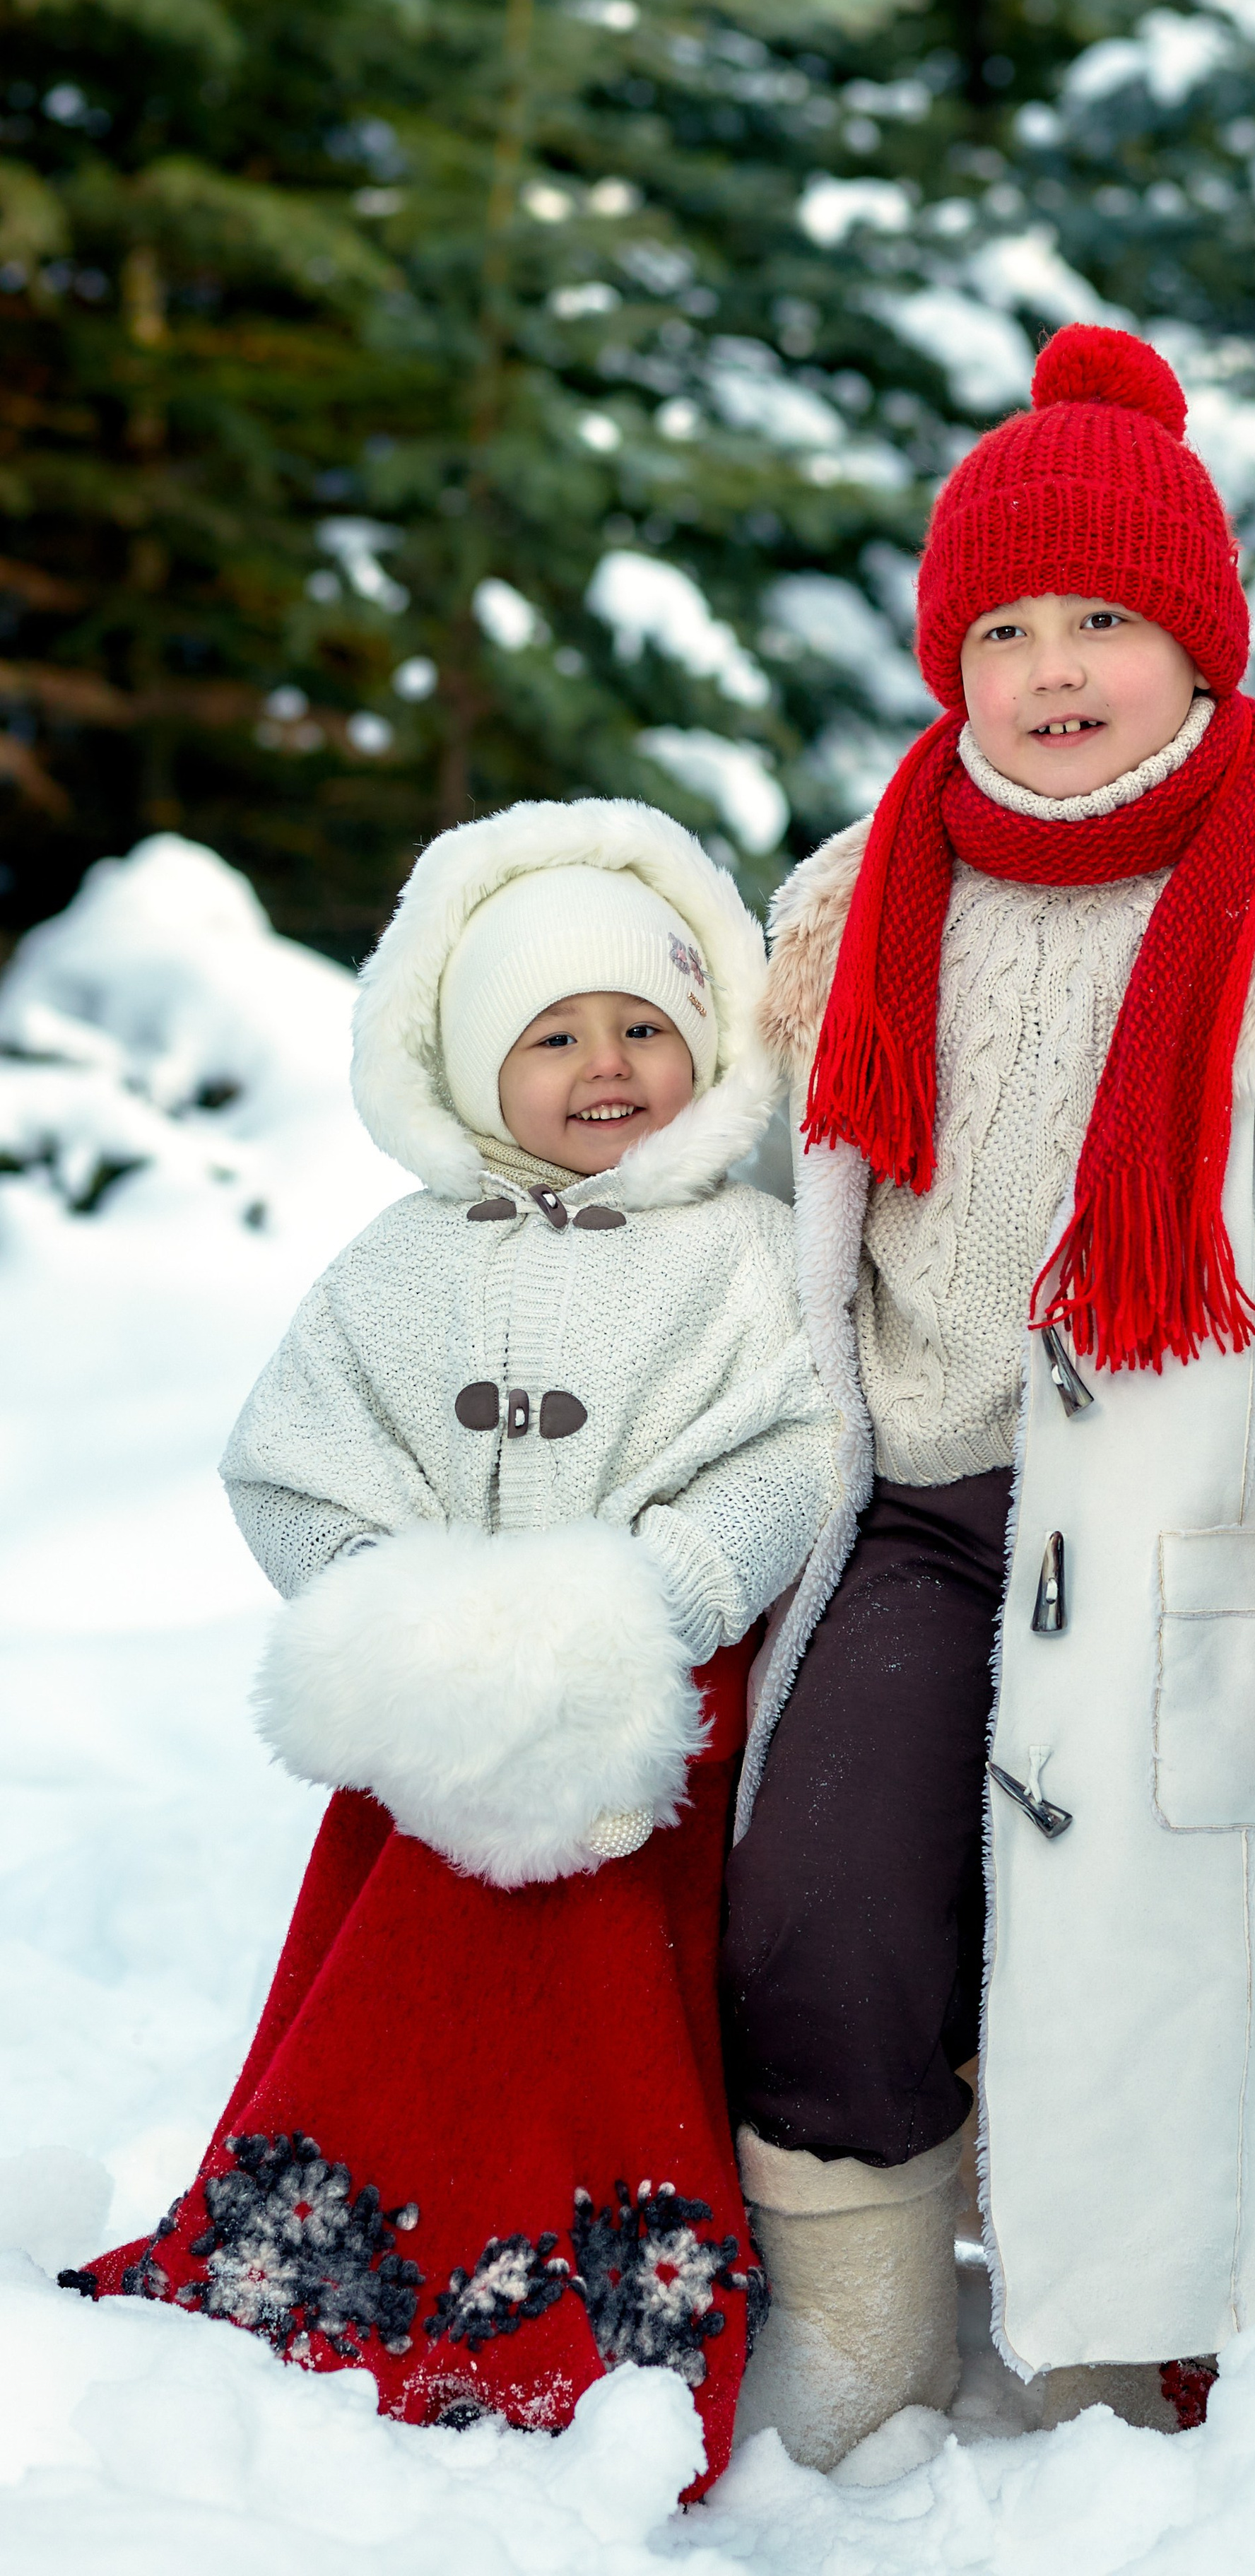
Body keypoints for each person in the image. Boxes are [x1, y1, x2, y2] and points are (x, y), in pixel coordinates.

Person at [721, 325, 1255, 2466]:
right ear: (945, 658)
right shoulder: (848, 900)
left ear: (1202, 642)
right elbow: (732, 1194)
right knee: (822, 1909)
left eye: (1107, 621)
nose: (1054, 669)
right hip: (912, 1505)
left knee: (1156, 1975)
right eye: (1002, 626)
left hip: (1186, 1540)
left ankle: (1127, 2326)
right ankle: (862, 2330)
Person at [66, 799, 840, 2493]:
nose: (605, 1066)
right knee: (404, 1992)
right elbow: (288, 1455)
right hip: (434, 1731)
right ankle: (345, 2250)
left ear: (704, 1042)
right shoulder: (400, 1267)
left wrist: (665, 1592)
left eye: (643, 1024)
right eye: (551, 1036)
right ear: (473, 1067)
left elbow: (794, 1452)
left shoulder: (738, 1255)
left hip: (649, 1716)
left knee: (605, 2008)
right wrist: (384, 1614)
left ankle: (598, 2295)